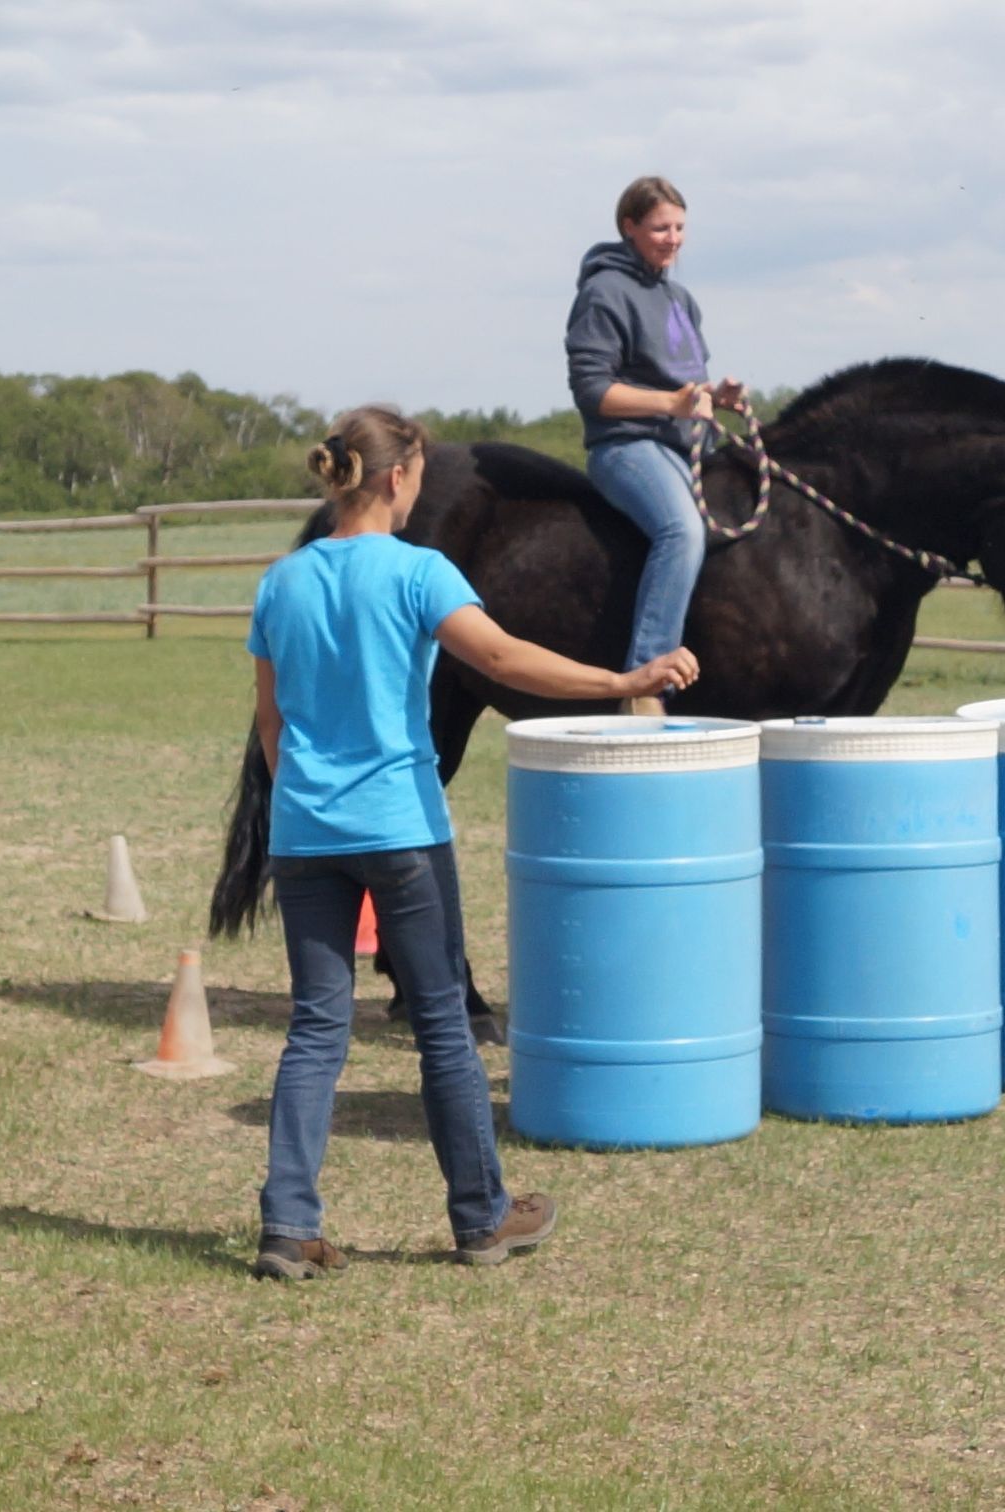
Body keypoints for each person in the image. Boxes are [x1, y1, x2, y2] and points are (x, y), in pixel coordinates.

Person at [247, 405, 699, 1281]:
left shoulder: (283, 581)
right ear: (396, 478)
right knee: (446, 1028)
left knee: (315, 1029)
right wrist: (623, 679)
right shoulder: (421, 574)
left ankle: (287, 1225)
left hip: (304, 833)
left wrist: (304, 802)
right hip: (400, 831)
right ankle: (482, 1219)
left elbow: (272, 724)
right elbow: (503, 660)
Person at [564, 175, 745, 711]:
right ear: (629, 228)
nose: (672, 238)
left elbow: (683, 386)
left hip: (687, 445)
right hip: (627, 448)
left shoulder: (679, 298)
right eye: (660, 227)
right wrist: (672, 404)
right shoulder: (603, 293)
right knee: (681, 530)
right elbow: (592, 391)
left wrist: (717, 396)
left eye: (680, 228)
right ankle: (645, 682)